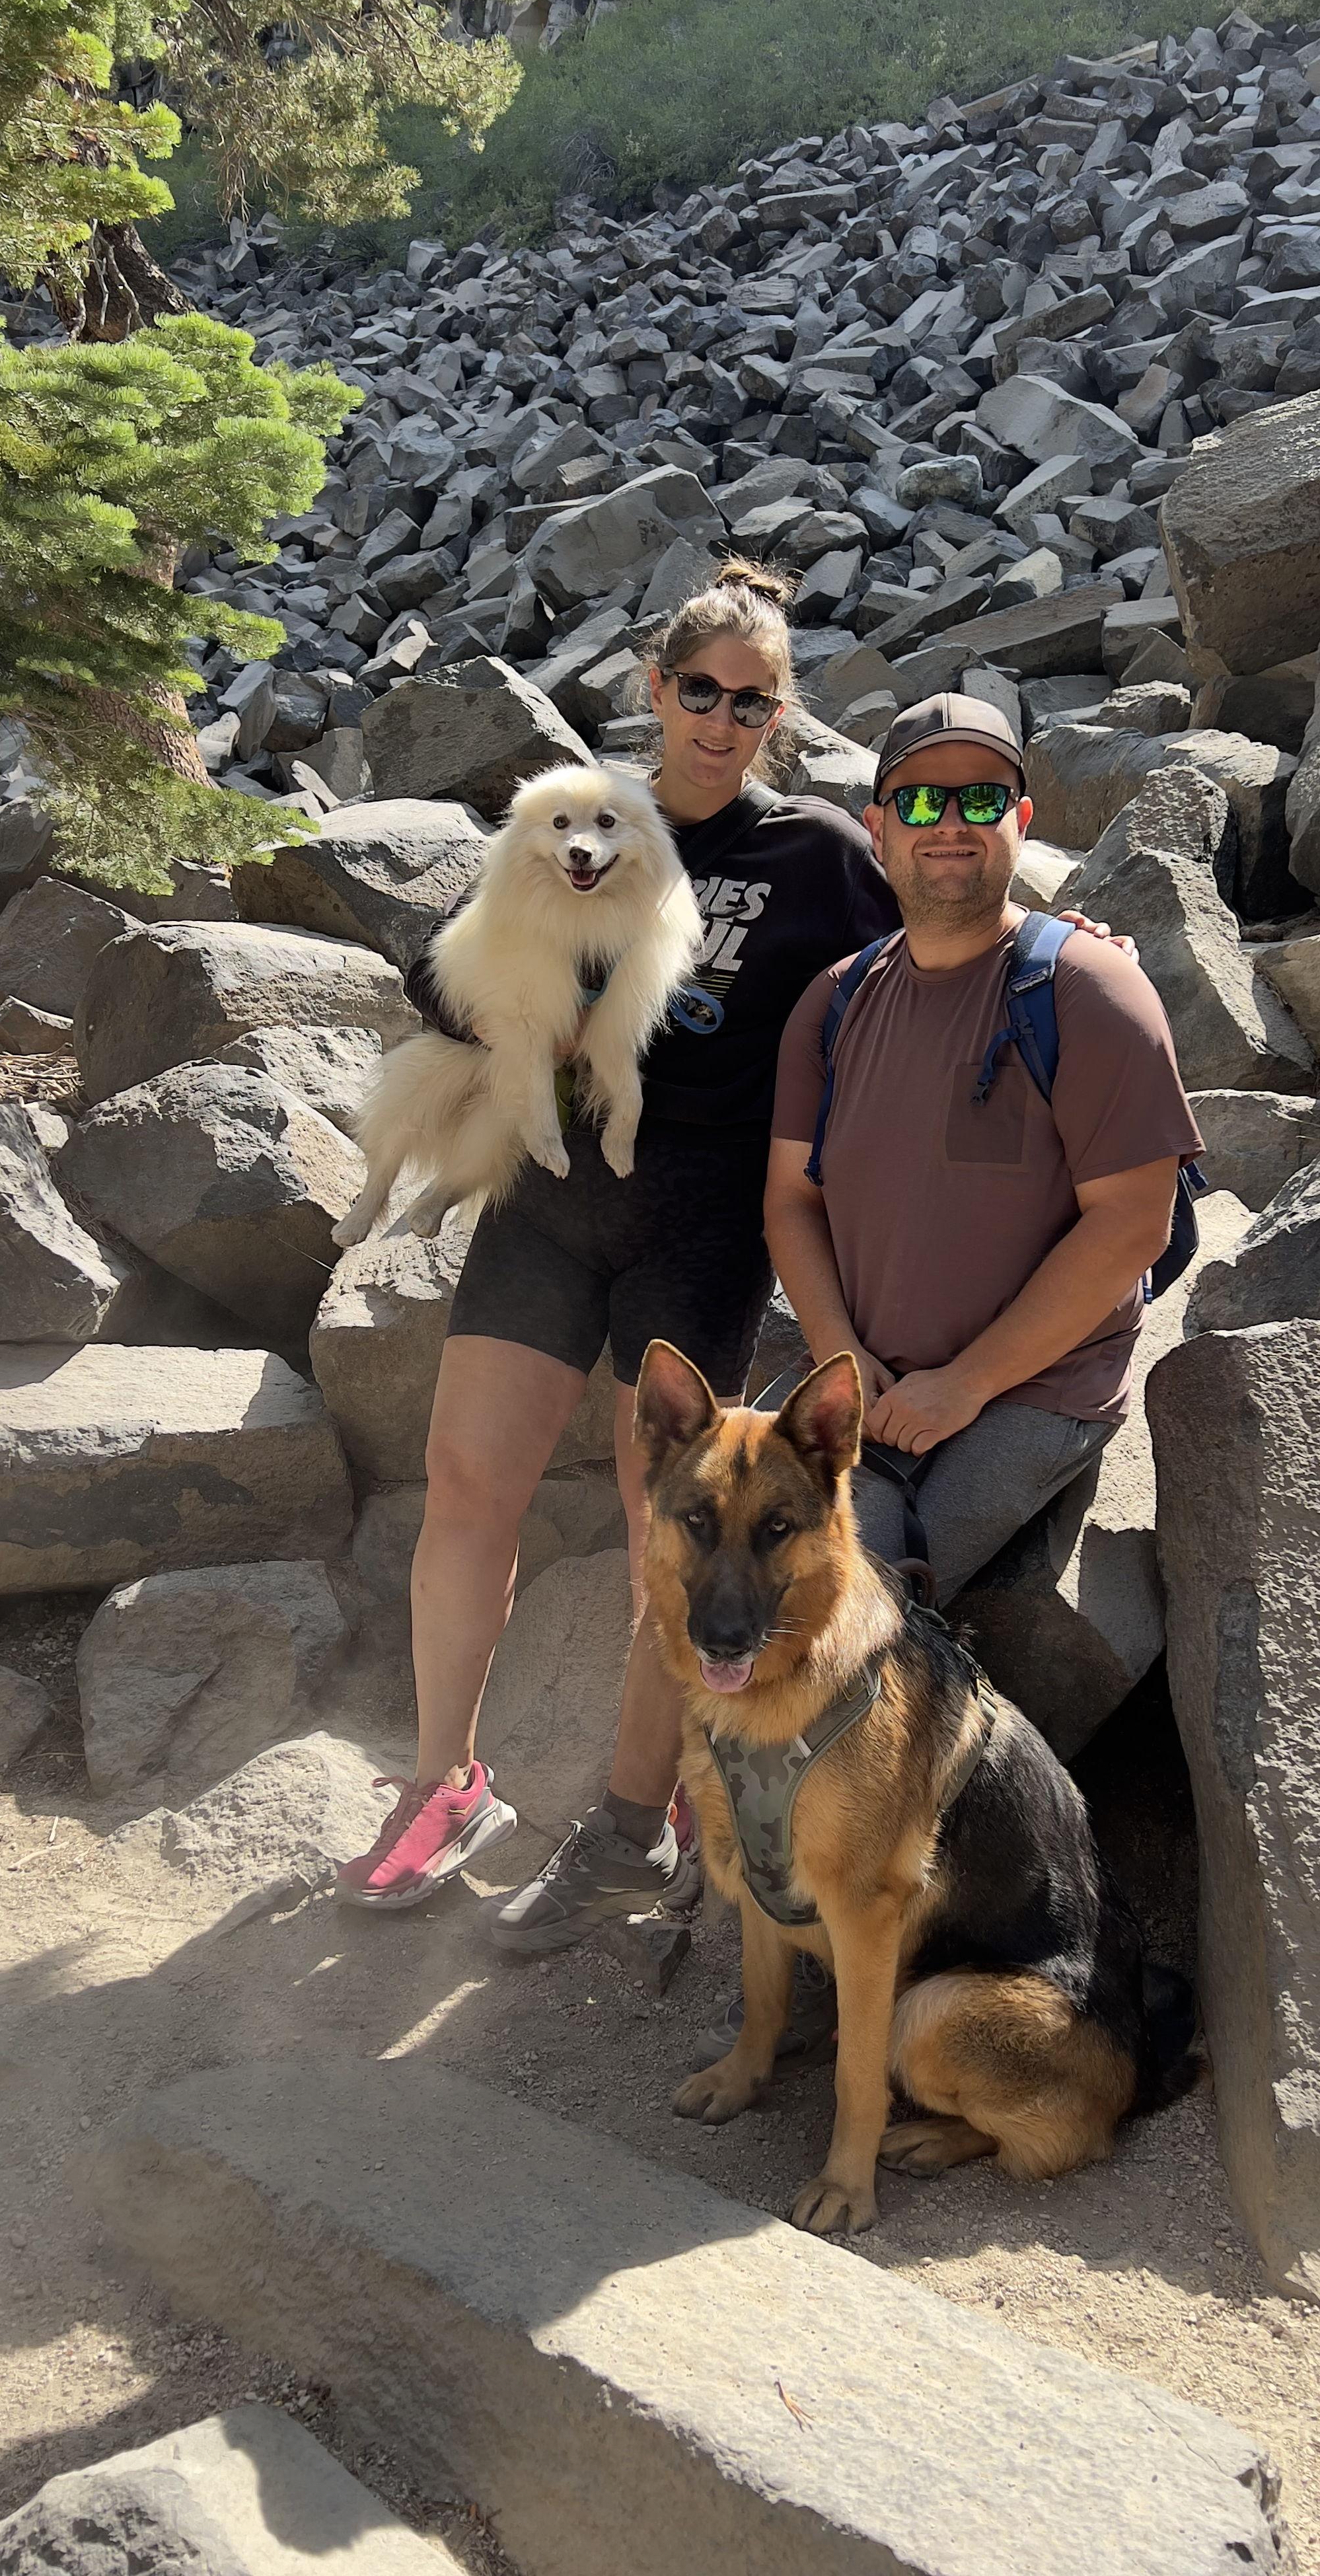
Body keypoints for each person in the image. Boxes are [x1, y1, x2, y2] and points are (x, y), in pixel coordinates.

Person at [332, 560, 897, 1919]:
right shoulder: (591, 817)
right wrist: (535, 1021)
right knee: (469, 1481)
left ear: (782, 717)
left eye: (751, 703)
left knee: (680, 1535)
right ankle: (442, 1785)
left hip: (698, 1218)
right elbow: (440, 963)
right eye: (698, 691)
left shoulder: (811, 854)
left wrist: (1067, 937)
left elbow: (932, 955)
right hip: (550, 1196)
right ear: (654, 690)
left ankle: (637, 1813)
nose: (720, 719)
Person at [763, 691, 1205, 1614]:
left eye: (981, 799)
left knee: (836, 1611)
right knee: (712, 1568)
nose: (951, 824)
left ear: (1023, 820)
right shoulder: (835, 1004)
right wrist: (839, 1354)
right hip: (870, 1374)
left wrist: (964, 1386)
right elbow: (790, 1202)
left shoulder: (1091, 991)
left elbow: (1131, 1225)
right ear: (877, 830)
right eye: (922, 803)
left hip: (1032, 1390)